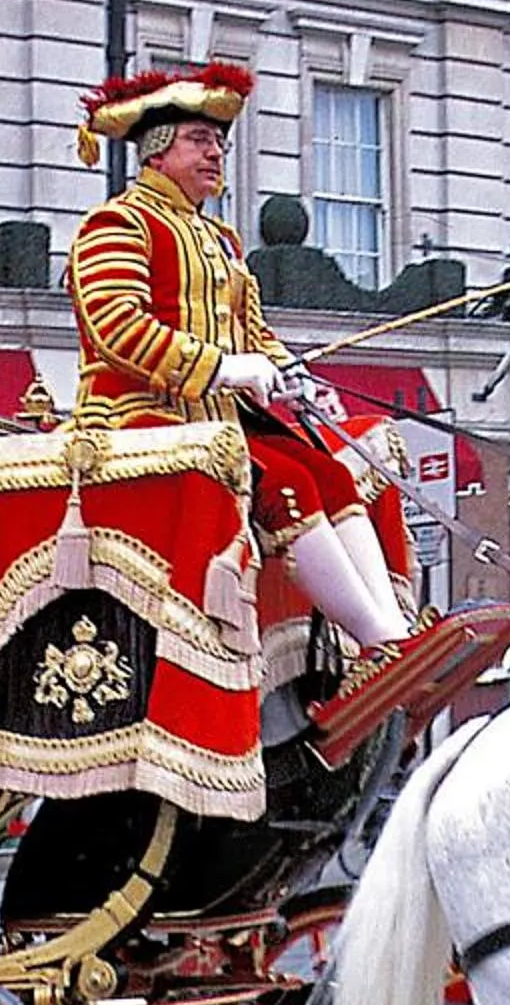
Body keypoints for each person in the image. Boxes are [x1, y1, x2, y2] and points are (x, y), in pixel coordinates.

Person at [66, 62, 415, 663]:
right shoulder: (117, 223)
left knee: (326, 472)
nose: (215, 154)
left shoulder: (222, 241)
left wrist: (290, 377)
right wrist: (224, 369)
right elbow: (115, 326)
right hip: (138, 414)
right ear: (156, 149)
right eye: (200, 141)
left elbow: (252, 333)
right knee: (290, 483)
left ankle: (392, 632)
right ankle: (376, 640)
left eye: (220, 144)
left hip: (220, 416)